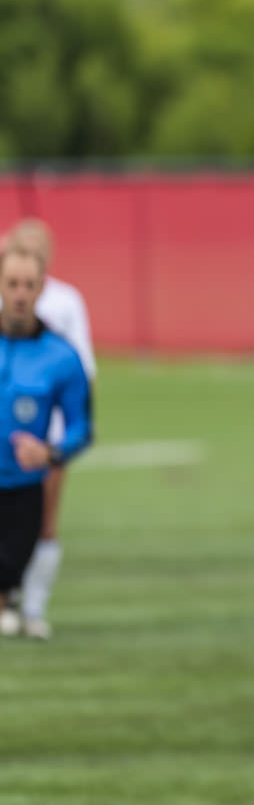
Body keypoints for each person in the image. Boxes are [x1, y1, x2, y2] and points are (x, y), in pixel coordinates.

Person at [0, 218, 95, 641]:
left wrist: (53, 452)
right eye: (11, 283)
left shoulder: (60, 350)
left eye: (28, 285)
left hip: (31, 465)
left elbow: (83, 421)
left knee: (40, 531)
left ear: (43, 286)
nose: (19, 293)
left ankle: (30, 607)